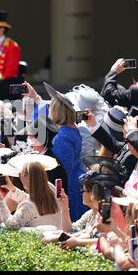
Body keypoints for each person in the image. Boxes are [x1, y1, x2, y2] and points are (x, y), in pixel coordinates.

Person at [43, 82, 88, 221]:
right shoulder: (71, 128)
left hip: (70, 188)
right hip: (76, 182)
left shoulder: (63, 136)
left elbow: (63, 170)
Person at [0, 161, 62, 230]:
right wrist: (12, 189)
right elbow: (32, 200)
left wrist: (0, 201)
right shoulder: (51, 188)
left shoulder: (28, 206)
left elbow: (11, 225)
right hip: (56, 237)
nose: (20, 178)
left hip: (38, 241)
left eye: (20, 174)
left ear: (26, 177)